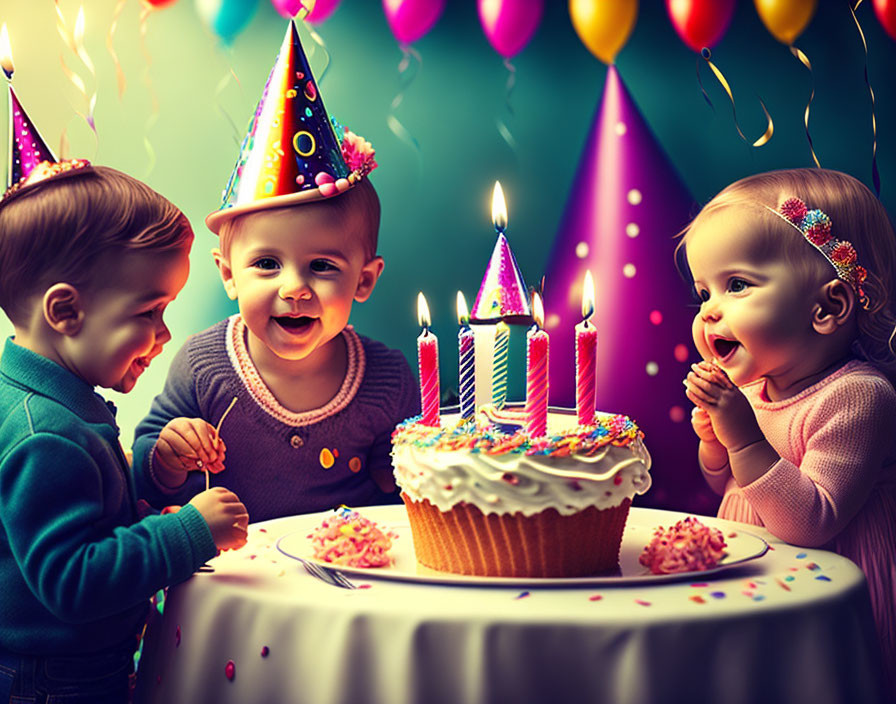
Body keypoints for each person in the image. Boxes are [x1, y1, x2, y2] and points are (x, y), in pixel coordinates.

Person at [131, 20, 419, 522]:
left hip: (347, 575)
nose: (294, 288)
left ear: (364, 280)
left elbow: (404, 496)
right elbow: (146, 481)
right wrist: (167, 456)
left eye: (322, 266)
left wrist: (412, 470)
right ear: (228, 274)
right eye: (266, 264)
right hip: (244, 582)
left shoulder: (387, 378)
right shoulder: (203, 367)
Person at [0, 160, 249, 704]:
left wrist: (149, 489)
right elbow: (72, 579)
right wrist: (184, 533)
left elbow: (86, 511)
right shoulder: (46, 435)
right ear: (65, 310)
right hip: (57, 680)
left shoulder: (50, 399)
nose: (164, 334)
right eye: (149, 311)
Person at [680, 168, 896, 694]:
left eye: (737, 285)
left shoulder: (858, 397)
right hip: (758, 574)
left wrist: (745, 440)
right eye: (703, 291)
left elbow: (813, 522)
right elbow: (728, 489)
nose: (709, 311)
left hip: (830, 587)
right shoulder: (754, 391)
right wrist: (716, 442)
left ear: (827, 307)